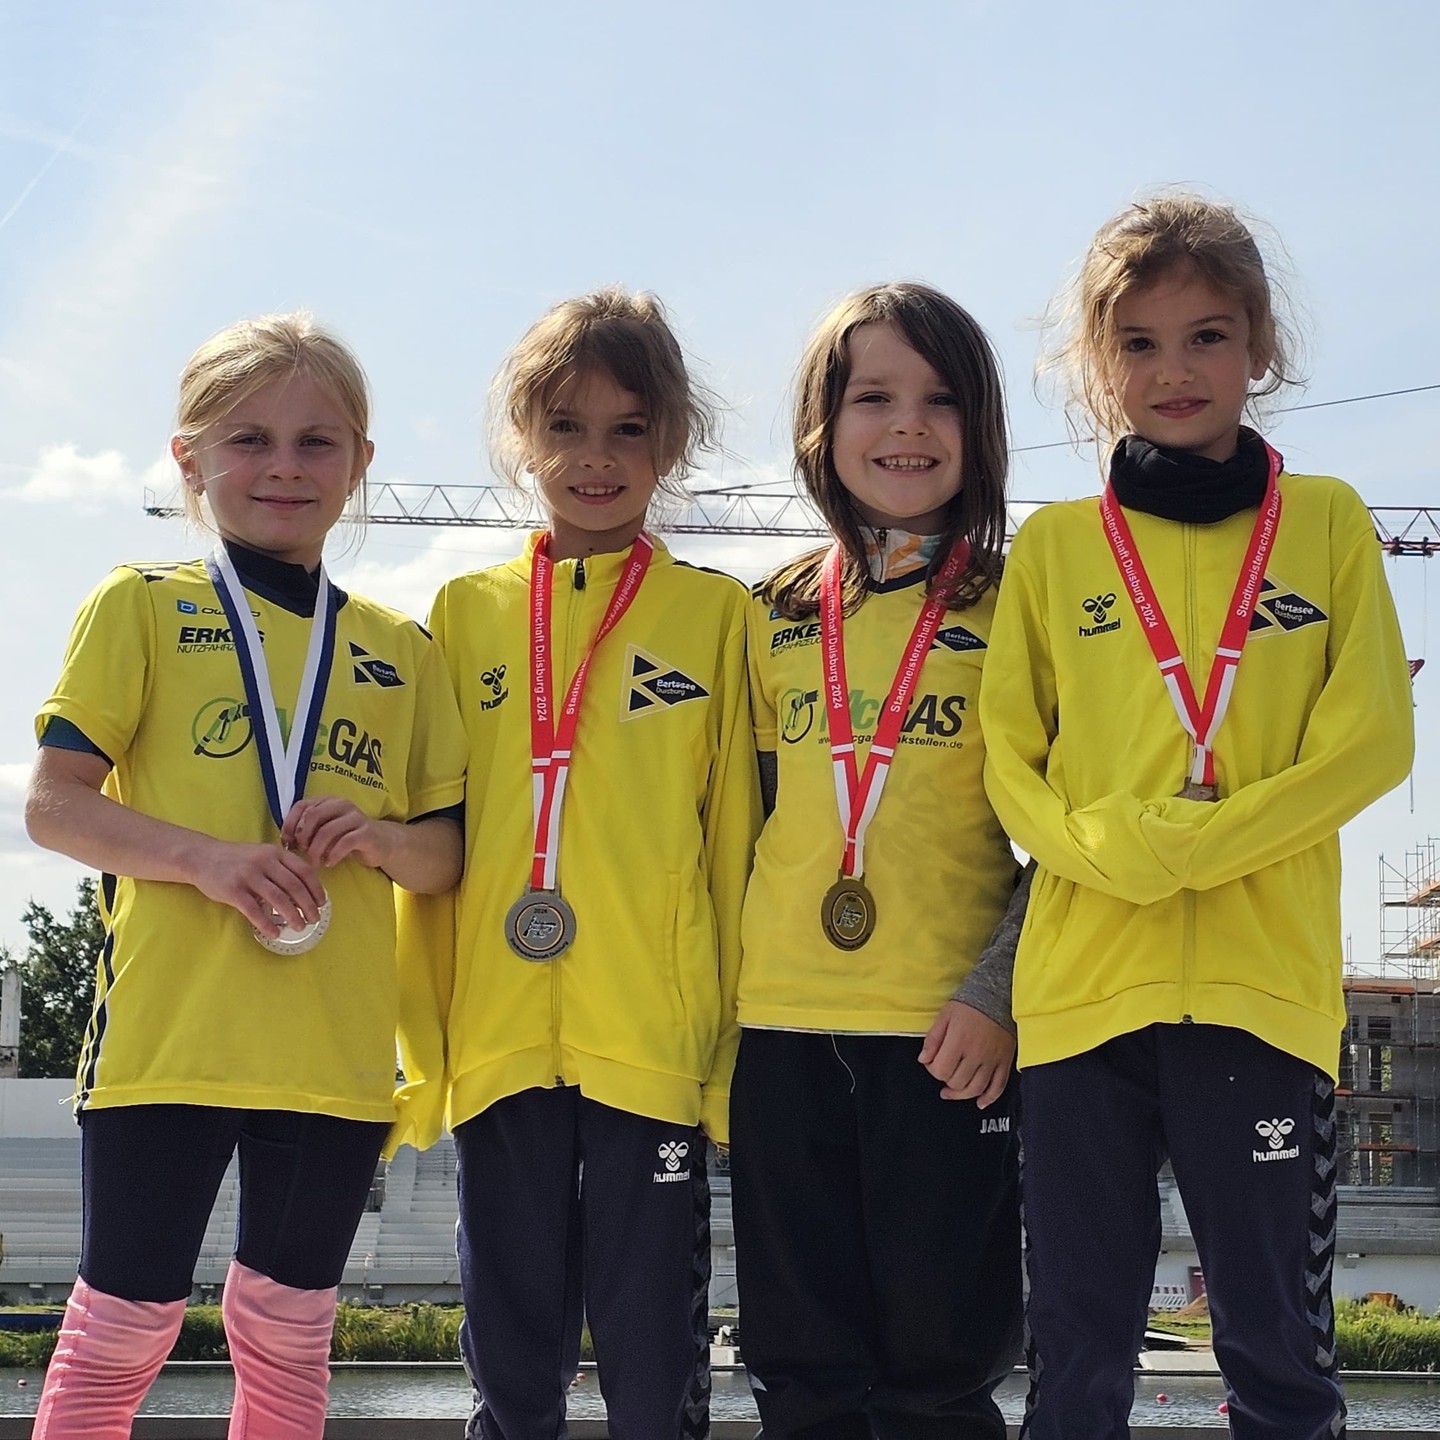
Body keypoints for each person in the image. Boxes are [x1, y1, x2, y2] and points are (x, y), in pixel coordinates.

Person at [980, 194, 1415, 1439]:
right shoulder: (1058, 547)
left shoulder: (1327, 522)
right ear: (1099, 363)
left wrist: (1202, 847)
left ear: (1259, 346)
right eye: (1139, 343)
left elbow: (1371, 739)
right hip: (1081, 1001)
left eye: (1207, 337)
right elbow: (1010, 763)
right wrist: (1113, 851)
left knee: (1279, 1350)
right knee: (1077, 1353)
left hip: (1260, 992)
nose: (1174, 370)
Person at [24, 313, 467, 1440]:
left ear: (360, 463)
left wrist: (377, 837)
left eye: (317, 441)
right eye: (248, 439)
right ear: (190, 459)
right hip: (169, 1041)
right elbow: (53, 806)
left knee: (288, 1335)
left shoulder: (402, 648)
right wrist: (208, 860)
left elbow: (446, 857)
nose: (284, 466)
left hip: (335, 1056)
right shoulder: (140, 604)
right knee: (123, 1325)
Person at [423, 287, 760, 1439]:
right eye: (564, 426)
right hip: (500, 1042)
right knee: (510, 1368)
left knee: (653, 1365)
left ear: (673, 439)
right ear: (523, 436)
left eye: (628, 429)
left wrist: (721, 1056)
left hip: (651, 1045)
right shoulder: (464, 614)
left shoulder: (716, 619)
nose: (596, 458)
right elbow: (438, 838)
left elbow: (733, 852)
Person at [732, 282, 1028, 1440]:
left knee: (937, 1376)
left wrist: (998, 994)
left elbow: (1067, 836)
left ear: (981, 427)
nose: (908, 425)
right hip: (780, 1031)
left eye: (941, 399)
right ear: (823, 425)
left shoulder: (1023, 605)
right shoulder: (767, 612)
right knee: (799, 1374)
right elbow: (741, 826)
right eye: (874, 398)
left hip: (949, 1039)